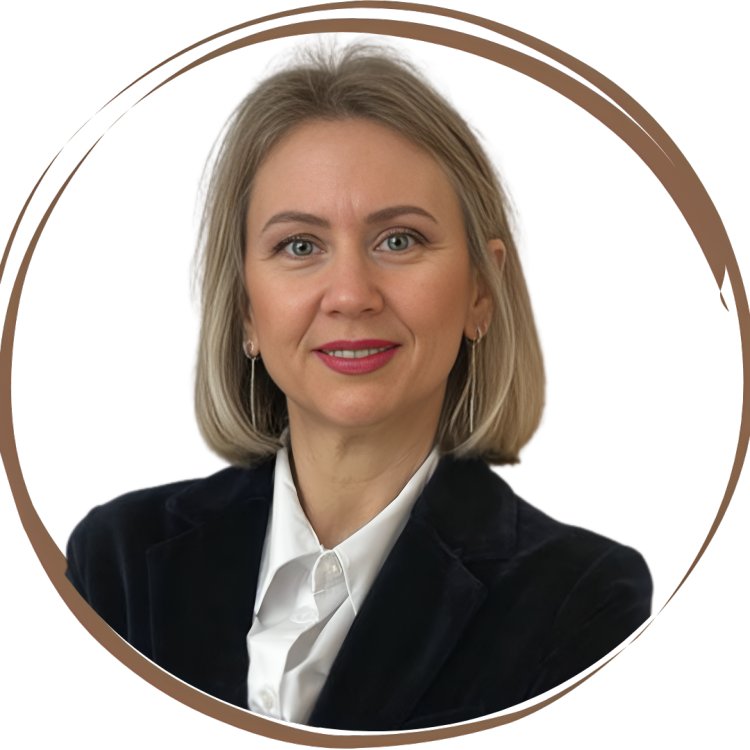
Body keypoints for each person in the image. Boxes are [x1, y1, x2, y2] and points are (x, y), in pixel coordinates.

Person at [64, 33, 653, 732]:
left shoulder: (583, 599)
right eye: (300, 245)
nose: (350, 294)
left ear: (480, 290)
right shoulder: (117, 558)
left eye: (398, 240)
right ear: (247, 307)